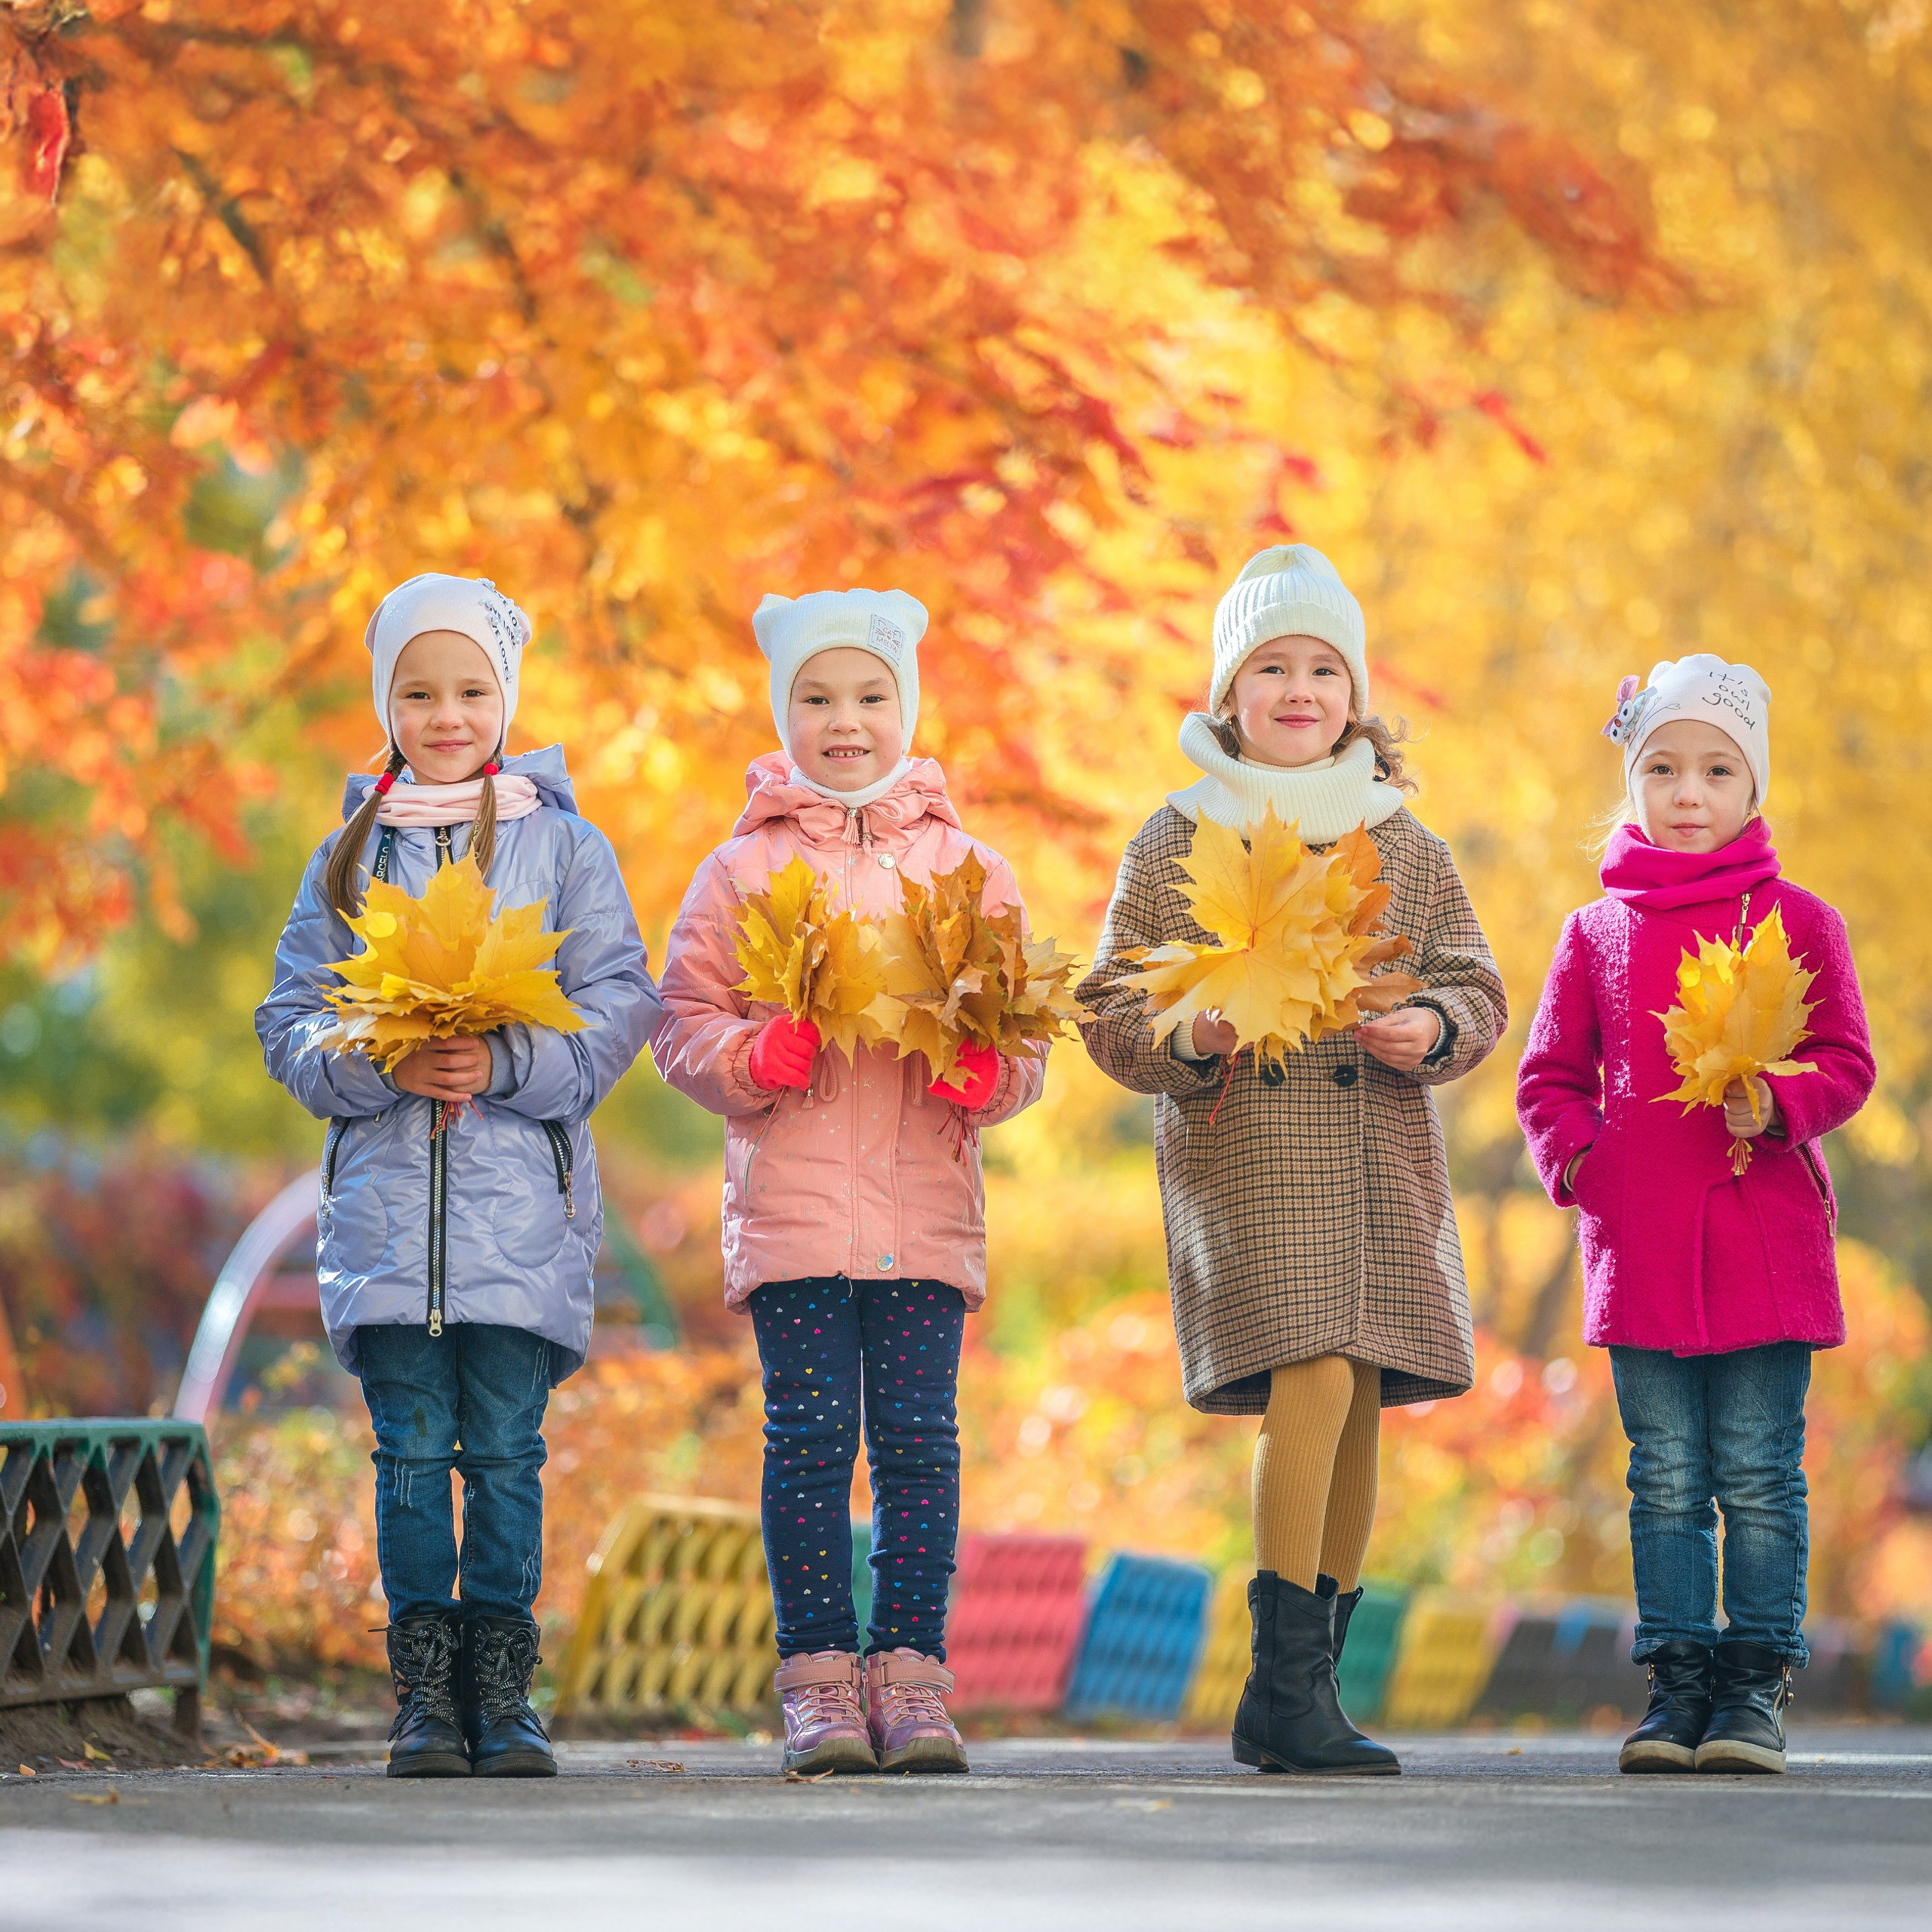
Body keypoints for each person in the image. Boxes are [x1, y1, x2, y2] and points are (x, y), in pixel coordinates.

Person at [1078, 546, 1504, 1776]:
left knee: (1362, 1390)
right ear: (1230, 693)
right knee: (1312, 1367)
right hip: (1248, 1153)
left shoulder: (1401, 842)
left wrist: (1428, 1026)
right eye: (1273, 665)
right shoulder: (1176, 838)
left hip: (1377, 1152)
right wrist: (1194, 1032)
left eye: (1325, 666)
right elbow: (1110, 1004)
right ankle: (1279, 1682)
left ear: (1357, 695)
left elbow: (1474, 984)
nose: (1301, 687)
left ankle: (1303, 1692)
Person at [257, 574, 660, 1778]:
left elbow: (619, 1002)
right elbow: (291, 1017)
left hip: (518, 1227)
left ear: (507, 697)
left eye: (472, 689)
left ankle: (505, 1692)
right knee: (409, 1459)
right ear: (388, 701)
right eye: (420, 691)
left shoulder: (563, 843)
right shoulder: (347, 857)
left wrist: (504, 1061)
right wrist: (381, 1060)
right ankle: (425, 1696)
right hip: (385, 1226)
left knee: (504, 1457)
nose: (447, 713)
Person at [652, 587, 1044, 1776]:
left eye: (870, 696)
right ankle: (821, 1687)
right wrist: (746, 1063)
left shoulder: (972, 870)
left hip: (925, 1213)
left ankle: (914, 1685)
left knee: (922, 1446)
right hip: (797, 1214)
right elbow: (680, 1021)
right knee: (812, 1442)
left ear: (906, 709)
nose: (845, 720)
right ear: (785, 712)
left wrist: (992, 1074)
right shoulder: (742, 869)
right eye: (818, 699)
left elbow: (1025, 1040)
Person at [1518, 654, 1874, 1775]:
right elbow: (1549, 1077)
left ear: (1752, 789)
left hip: (1765, 1240)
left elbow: (1848, 1060)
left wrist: (1783, 1104)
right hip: (1644, 1245)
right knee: (1665, 1472)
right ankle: (1675, 1683)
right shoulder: (1595, 934)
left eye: (1718, 771)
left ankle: (1755, 1685)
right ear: (1632, 784)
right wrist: (1581, 1165)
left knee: (1761, 1470)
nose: (1689, 793)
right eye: (1664, 768)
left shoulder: (1800, 922)